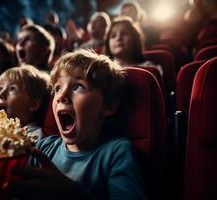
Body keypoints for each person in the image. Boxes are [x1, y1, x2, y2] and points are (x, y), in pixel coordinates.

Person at [9, 49, 147, 200]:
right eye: (57, 88)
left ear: (108, 106)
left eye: (78, 87)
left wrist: (72, 192)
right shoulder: (43, 147)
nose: (61, 96)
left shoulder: (116, 152)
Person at [0, 64, 50, 140]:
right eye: (1, 88)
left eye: (12, 89)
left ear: (33, 104)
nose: (0, 94)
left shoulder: (34, 137)